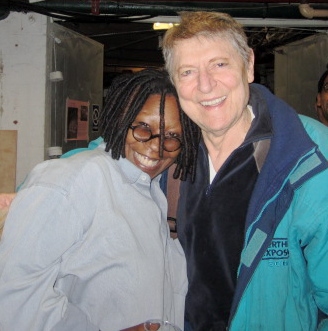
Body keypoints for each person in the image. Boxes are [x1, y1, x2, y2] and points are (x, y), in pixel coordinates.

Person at [162, 11, 328, 331]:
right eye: (187, 71)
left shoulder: (312, 157)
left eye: (219, 64)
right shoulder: (166, 150)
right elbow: (110, 152)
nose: (206, 85)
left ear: (249, 64)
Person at [0, 68, 200, 331]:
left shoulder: (149, 192)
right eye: (143, 128)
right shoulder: (73, 178)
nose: (156, 147)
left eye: (172, 136)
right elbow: (13, 293)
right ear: (120, 120)